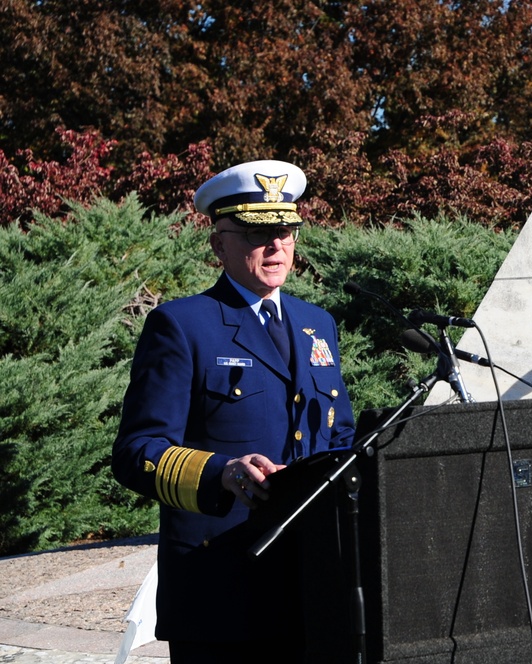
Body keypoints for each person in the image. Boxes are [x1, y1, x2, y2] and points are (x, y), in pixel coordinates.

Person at [112, 160, 356, 662]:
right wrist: (221, 472)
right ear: (219, 243)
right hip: (221, 587)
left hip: (312, 584)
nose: (275, 247)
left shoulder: (318, 325)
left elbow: (341, 437)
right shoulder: (181, 326)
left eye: (285, 232)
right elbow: (137, 452)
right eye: (255, 234)